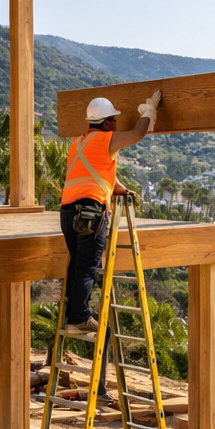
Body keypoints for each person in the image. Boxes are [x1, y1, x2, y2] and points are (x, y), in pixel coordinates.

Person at [58, 91, 161, 334]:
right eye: (113, 120)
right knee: (87, 267)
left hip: (68, 211)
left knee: (77, 264)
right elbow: (137, 133)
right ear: (105, 123)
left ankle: (71, 315)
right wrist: (150, 110)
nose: (116, 125)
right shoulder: (106, 139)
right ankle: (79, 318)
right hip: (91, 211)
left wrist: (121, 189)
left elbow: (94, 174)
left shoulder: (78, 143)